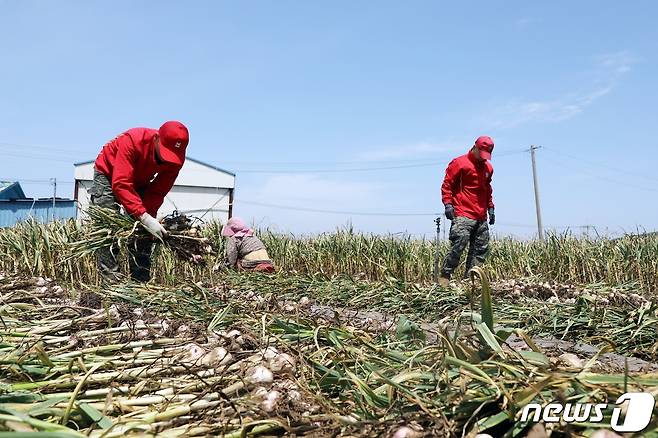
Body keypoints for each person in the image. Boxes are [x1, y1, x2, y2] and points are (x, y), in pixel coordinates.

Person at [90, 121, 189, 283]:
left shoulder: (176, 158)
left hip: (141, 181)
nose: (167, 160)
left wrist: (148, 218)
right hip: (109, 173)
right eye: (165, 154)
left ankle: (140, 281)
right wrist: (143, 216)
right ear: (157, 138)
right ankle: (111, 281)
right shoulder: (133, 140)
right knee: (107, 227)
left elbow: (158, 191)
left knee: (143, 233)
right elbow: (121, 183)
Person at [438, 135, 495, 287]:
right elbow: (447, 185)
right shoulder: (459, 163)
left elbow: (487, 189)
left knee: (480, 250)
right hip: (463, 213)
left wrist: (491, 207)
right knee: (459, 243)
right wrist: (448, 204)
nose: (484, 158)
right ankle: (445, 276)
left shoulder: (488, 168)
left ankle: (470, 282)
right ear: (475, 147)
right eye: (482, 154)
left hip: (481, 215)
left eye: (486, 155)